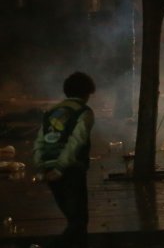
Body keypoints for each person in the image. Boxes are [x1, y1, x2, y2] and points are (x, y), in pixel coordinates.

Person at [33, 72, 96, 248]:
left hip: (49, 170)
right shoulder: (84, 112)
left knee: (74, 220)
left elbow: (39, 141)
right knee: (79, 222)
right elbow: (76, 141)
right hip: (70, 170)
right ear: (87, 93)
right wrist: (60, 168)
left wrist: (41, 168)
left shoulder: (51, 112)